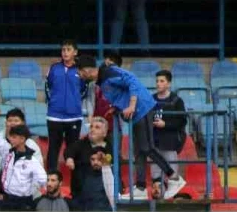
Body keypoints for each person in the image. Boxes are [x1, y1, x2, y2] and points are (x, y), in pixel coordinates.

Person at [77, 55, 186, 200]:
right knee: (138, 152)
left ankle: (174, 177)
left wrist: (132, 105)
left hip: (142, 108)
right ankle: (140, 187)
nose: (79, 75)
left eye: (79, 72)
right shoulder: (101, 80)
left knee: (147, 147)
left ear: (87, 70)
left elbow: (132, 81)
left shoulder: (109, 72)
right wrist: (117, 108)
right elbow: (120, 93)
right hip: (134, 115)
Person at [45, 39, 85, 172]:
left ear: (75, 52)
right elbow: (48, 87)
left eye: (68, 49)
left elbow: (84, 90)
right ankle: (50, 179)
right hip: (54, 116)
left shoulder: (81, 69)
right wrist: (53, 102)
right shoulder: (54, 68)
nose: (65, 52)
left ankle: (76, 185)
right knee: (53, 149)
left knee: (73, 151)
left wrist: (75, 103)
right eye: (63, 50)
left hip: (74, 117)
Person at [150, 70, 187, 193]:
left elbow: (182, 121)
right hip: (154, 143)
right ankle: (158, 201)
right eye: (157, 81)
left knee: (172, 174)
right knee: (155, 175)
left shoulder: (177, 100)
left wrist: (165, 124)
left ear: (169, 84)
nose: (158, 84)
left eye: (162, 81)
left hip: (170, 143)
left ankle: (172, 197)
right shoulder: (151, 99)